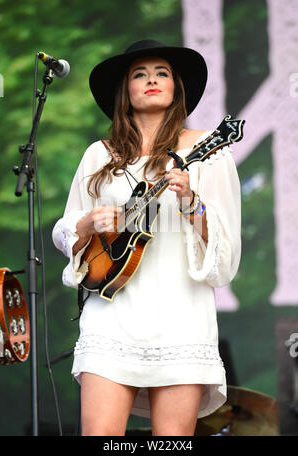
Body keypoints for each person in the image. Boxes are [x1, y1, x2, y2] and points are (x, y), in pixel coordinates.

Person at [52, 39, 241, 436]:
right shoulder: (99, 155)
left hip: (181, 318)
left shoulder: (208, 151)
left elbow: (225, 244)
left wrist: (191, 201)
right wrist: (89, 223)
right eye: (139, 74)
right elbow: (67, 227)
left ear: (176, 88)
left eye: (162, 73)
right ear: (126, 90)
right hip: (111, 315)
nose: (151, 80)